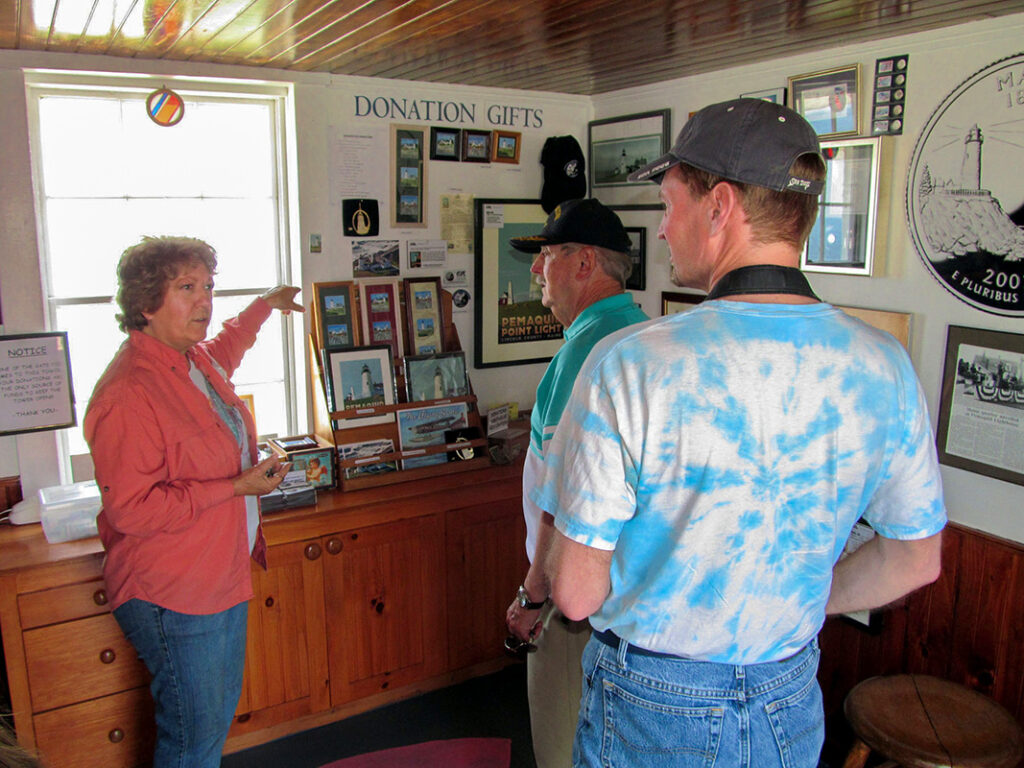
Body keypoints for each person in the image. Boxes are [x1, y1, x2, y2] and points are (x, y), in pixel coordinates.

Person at [539, 99, 947, 767]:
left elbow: (577, 595)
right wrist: (810, 600)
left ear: (719, 206)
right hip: (790, 697)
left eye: (670, 205)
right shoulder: (883, 364)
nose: (663, 231)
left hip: (652, 704)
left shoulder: (634, 364)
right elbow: (915, 560)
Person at [84, 236, 303, 768]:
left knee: (208, 728)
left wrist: (263, 307)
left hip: (216, 575)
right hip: (173, 591)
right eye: (187, 288)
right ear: (145, 303)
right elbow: (131, 510)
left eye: (208, 287)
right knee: (192, 742)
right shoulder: (127, 392)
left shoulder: (192, 360)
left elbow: (228, 346)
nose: (204, 301)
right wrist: (235, 487)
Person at [503, 198, 648, 768]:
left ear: (585, 262)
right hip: (624, 594)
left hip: (570, 605)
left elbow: (561, 502)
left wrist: (532, 596)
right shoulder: (642, 336)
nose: (536, 271)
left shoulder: (582, 356)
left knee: (562, 744)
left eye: (546, 257)